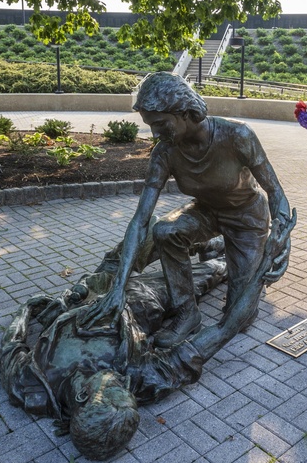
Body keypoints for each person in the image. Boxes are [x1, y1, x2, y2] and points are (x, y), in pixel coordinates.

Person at [0, 214, 295, 460]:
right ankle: (223, 256)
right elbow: (224, 329)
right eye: (127, 388)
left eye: (115, 384)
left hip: (97, 285)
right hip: (144, 299)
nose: (124, 380)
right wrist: (265, 263)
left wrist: (28, 309)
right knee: (204, 276)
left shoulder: (29, 384)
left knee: (153, 229)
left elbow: (11, 344)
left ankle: (203, 243)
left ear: (82, 395)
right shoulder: (142, 378)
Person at [86, 71, 292, 347]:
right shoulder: (165, 152)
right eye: (151, 126)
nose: (156, 133)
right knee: (165, 230)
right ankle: (187, 313)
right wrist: (118, 288)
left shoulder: (237, 135)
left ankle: (228, 251)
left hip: (246, 216)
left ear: (184, 113)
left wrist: (282, 239)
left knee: (240, 318)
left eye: (160, 124)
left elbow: (275, 190)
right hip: (205, 211)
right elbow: (140, 221)